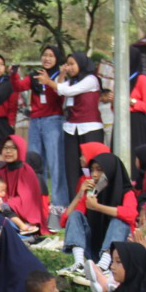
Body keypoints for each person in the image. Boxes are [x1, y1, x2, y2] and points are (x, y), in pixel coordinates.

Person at [59, 149, 136, 278]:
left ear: (110, 171)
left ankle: (104, 266)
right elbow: (65, 221)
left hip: (118, 253)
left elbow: (130, 214)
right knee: (76, 215)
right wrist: (79, 195)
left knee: (120, 220)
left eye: (99, 170)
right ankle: (79, 263)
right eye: (92, 170)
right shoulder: (92, 193)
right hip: (94, 248)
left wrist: (97, 207)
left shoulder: (126, 192)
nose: (94, 175)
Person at [57, 51, 103, 201]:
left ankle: (94, 201)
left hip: (90, 128)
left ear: (81, 64)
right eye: (67, 64)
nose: (69, 67)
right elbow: (60, 89)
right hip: (71, 128)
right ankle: (74, 203)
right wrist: (62, 75)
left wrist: (50, 82)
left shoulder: (91, 79)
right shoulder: (72, 80)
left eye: (72, 64)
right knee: (72, 169)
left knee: (91, 167)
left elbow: (69, 91)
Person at [28, 45, 68, 203]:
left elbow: (61, 95)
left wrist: (59, 77)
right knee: (34, 162)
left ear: (57, 59)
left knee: (56, 164)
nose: (47, 58)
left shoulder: (61, 76)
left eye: (51, 55)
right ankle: (37, 202)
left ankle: (59, 206)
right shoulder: (36, 76)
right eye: (44, 55)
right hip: (35, 121)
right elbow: (19, 87)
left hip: (53, 121)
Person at [127, 46, 146, 149]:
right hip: (121, 121)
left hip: (136, 123)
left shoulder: (142, 79)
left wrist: (132, 102)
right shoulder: (122, 79)